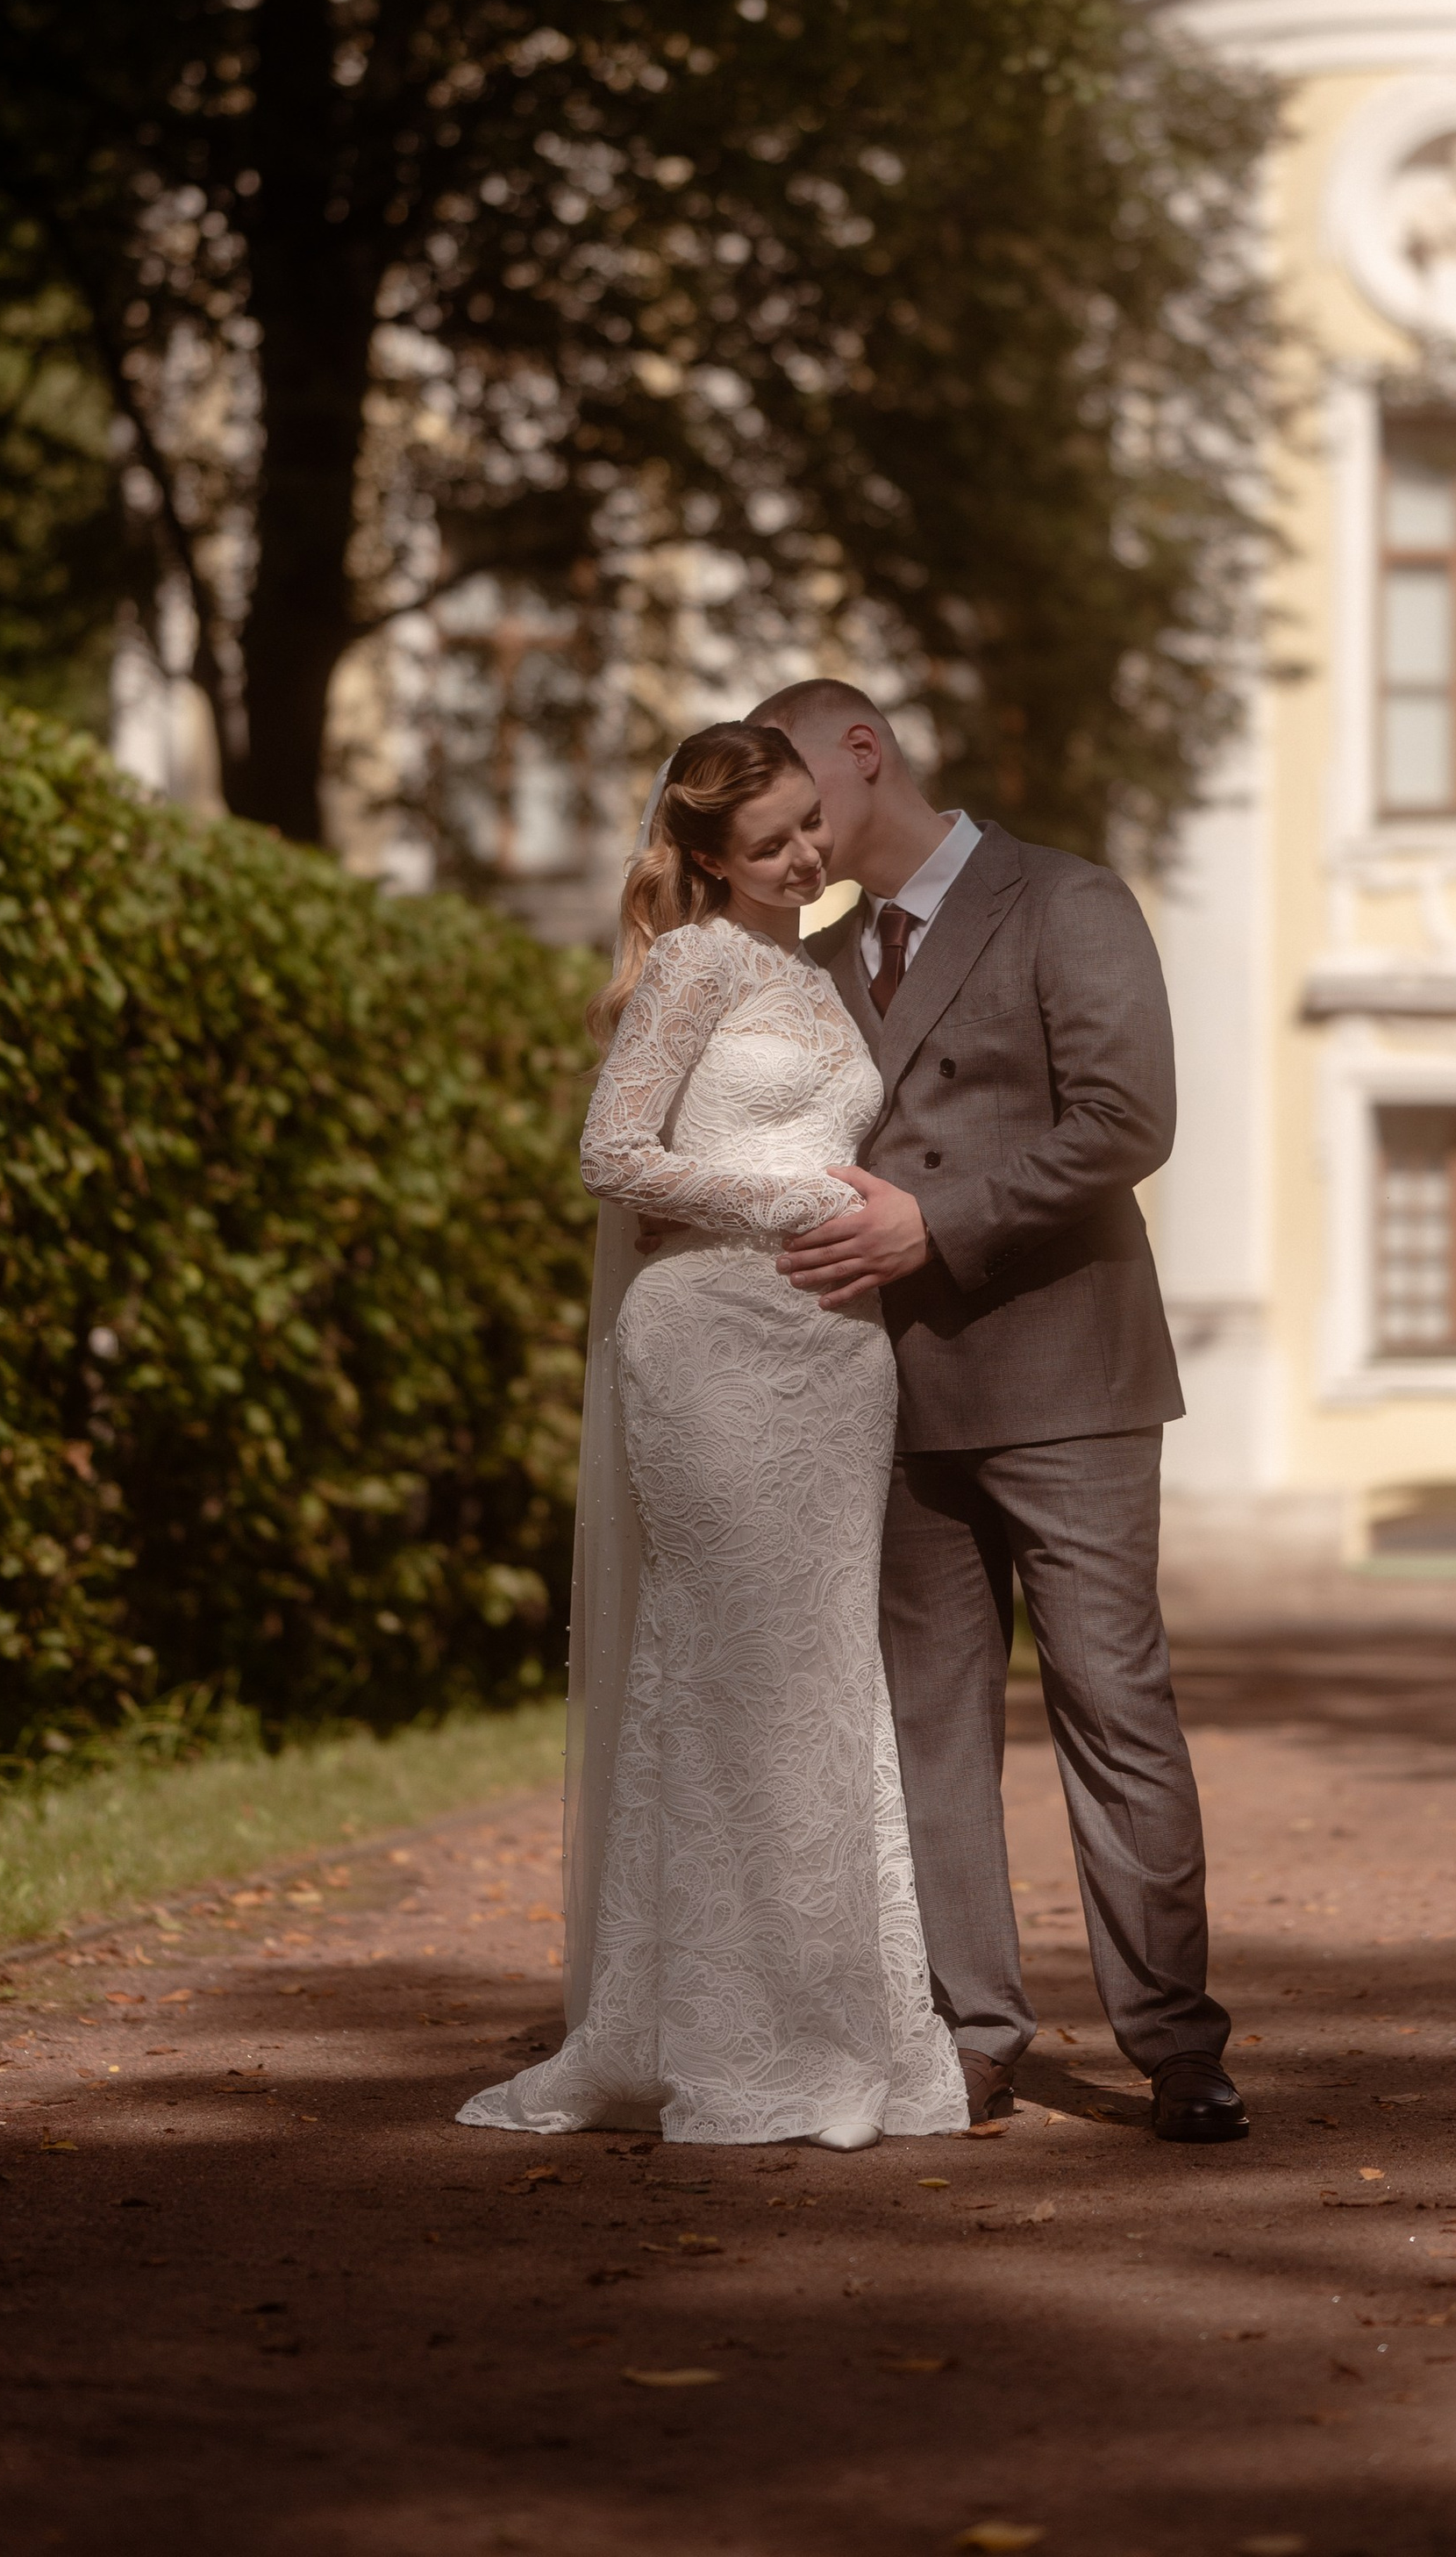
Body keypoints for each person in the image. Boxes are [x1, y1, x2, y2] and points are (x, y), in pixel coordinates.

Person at [743, 678, 1246, 2146]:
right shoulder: (819, 960)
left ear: (865, 750)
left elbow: (1127, 1118)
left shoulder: (1064, 899)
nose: (787, 834)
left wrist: (933, 1227)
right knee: (929, 1730)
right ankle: (971, 2034)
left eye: (798, 794)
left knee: (1114, 1707)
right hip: (890, 1394)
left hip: (1069, 1378)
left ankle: (1174, 2045)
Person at [457, 720, 966, 2153]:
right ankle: (715, 2038)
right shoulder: (691, 967)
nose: (808, 857)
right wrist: (795, 1203)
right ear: (703, 859)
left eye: (812, 825)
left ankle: (828, 2024)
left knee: (819, 1682)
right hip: (712, 1347)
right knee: (729, 1676)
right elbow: (611, 1154)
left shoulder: (815, 976)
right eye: (771, 844)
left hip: (834, 1363)